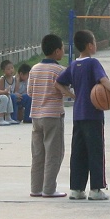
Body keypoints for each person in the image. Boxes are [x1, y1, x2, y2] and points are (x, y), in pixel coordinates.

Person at [55, 29, 110, 201]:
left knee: (78, 153)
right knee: (95, 152)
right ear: (90, 45)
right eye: (93, 41)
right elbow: (104, 81)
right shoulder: (93, 64)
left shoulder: (73, 65)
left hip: (78, 115)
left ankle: (76, 189)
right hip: (93, 116)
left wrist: (72, 95)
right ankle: (96, 189)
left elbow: (58, 83)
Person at [27, 34, 74, 198]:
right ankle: (49, 189)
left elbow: (30, 92)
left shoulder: (34, 69)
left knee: (38, 154)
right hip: (53, 116)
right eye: (62, 48)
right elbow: (67, 91)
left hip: (36, 116)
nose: (63, 51)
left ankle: (35, 188)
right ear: (56, 51)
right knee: (54, 153)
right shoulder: (59, 70)